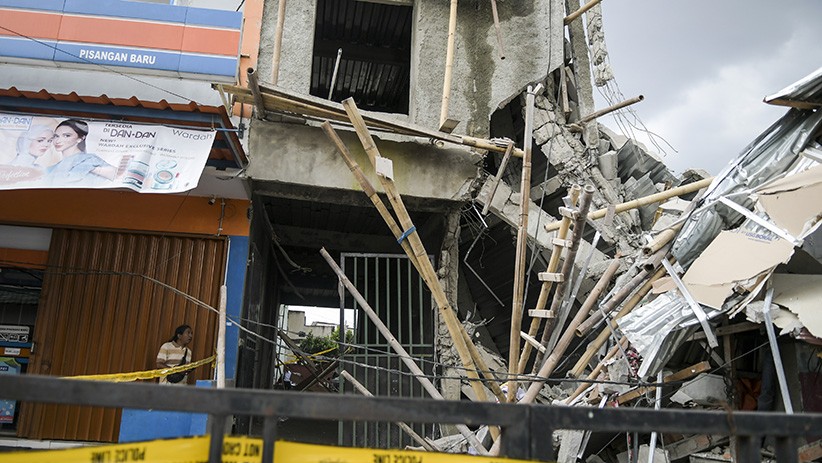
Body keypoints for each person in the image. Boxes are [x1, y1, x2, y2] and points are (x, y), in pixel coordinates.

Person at [47, 119, 116, 184]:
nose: (58, 141)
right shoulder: (52, 168)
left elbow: (118, 177)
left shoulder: (89, 160)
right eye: (56, 136)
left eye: (66, 136)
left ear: (80, 138)